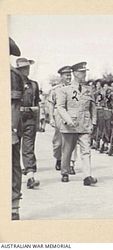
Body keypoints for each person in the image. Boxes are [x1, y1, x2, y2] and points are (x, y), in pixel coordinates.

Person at [56, 62, 97, 185]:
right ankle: (65, 172)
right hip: (70, 125)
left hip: (84, 124)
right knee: (67, 151)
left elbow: (93, 107)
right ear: (74, 73)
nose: (84, 74)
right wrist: (68, 119)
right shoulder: (64, 90)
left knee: (86, 151)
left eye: (85, 72)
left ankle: (87, 176)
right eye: (81, 72)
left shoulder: (88, 90)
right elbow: (60, 107)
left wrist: (93, 122)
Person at [48, 66, 77, 174]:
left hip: (72, 115)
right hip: (59, 114)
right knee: (58, 142)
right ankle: (59, 159)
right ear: (61, 76)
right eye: (66, 75)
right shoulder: (56, 89)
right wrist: (51, 118)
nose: (69, 77)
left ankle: (71, 163)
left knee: (72, 140)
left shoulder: (75, 88)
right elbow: (51, 104)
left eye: (70, 74)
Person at [16, 57, 40, 189]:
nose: (27, 70)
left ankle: (30, 176)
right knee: (14, 148)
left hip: (29, 118)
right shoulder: (11, 84)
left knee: (28, 148)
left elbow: (36, 103)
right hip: (16, 118)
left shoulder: (34, 85)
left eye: (27, 67)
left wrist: (37, 120)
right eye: (23, 68)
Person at [10, 37, 23, 220]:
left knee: (12, 165)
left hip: (7, 128)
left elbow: (13, 106)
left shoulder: (11, 75)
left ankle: (13, 205)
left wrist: (11, 130)